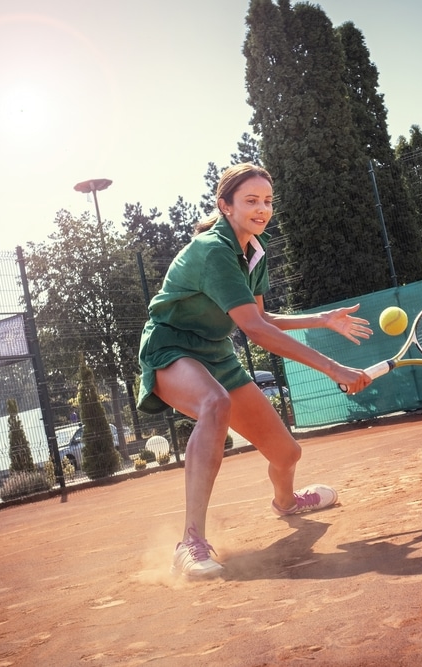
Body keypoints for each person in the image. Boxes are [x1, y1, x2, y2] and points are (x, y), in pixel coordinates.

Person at [136, 162, 373, 579]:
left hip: (215, 351)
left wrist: (321, 320)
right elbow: (255, 331)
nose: (262, 209)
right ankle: (190, 542)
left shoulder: (254, 251)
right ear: (225, 206)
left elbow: (260, 317)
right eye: (251, 201)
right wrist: (333, 367)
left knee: (287, 453)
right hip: (171, 346)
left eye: (267, 201)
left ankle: (287, 502)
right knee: (214, 403)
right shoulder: (213, 250)